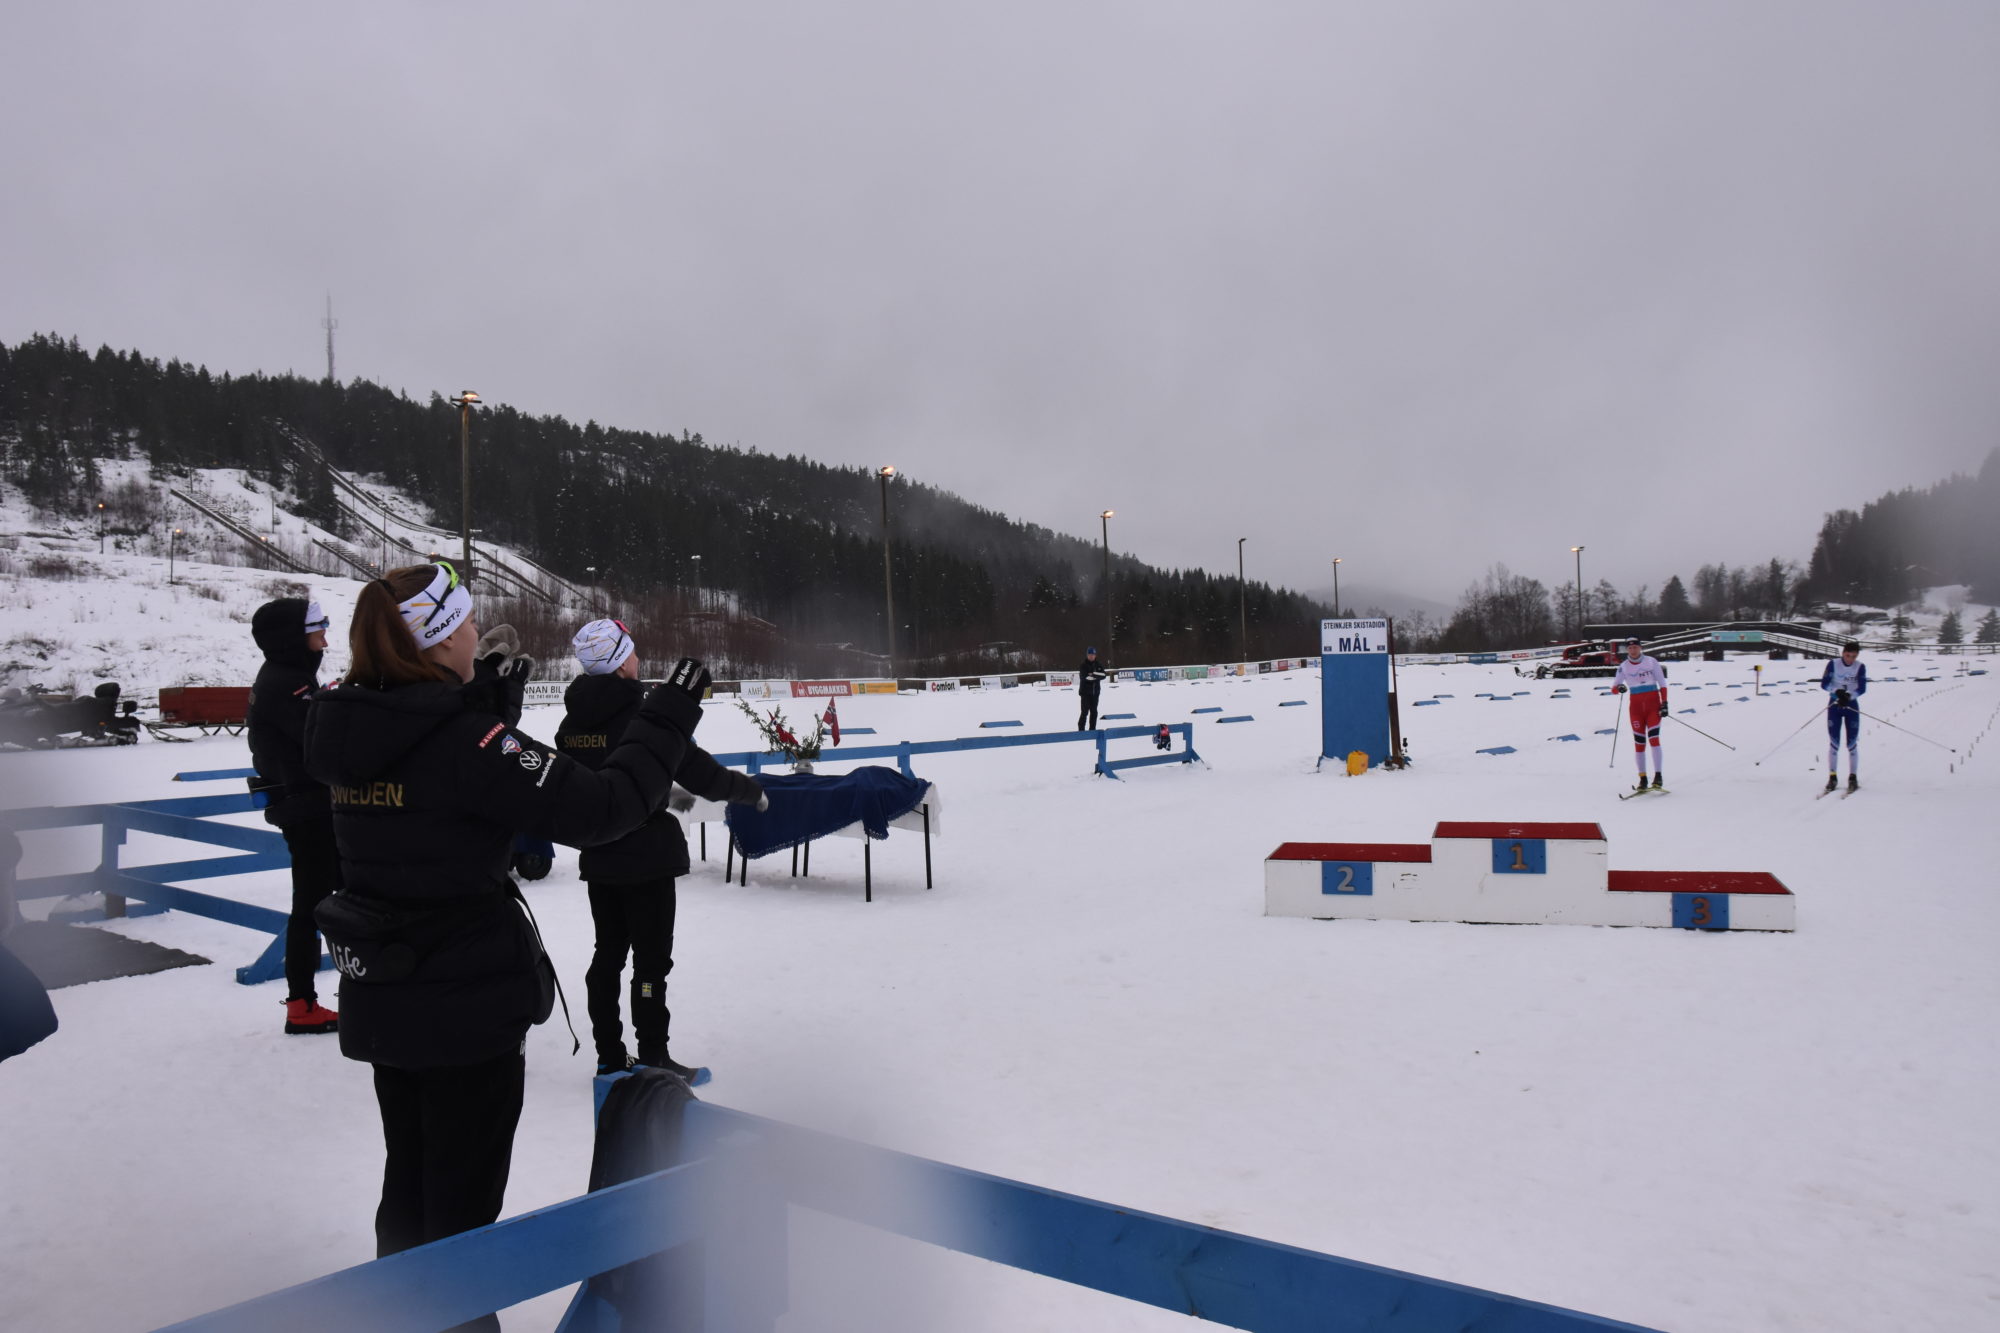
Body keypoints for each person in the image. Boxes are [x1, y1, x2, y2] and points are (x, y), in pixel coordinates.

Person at [303, 562, 748, 1309]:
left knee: (410, 1189)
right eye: (466, 622)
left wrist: (489, 701)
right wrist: (669, 711)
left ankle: (398, 1315)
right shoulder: (463, 743)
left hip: (388, 998)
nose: (477, 632)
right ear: (440, 640)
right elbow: (602, 805)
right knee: (462, 1224)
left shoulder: (354, 725)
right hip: (464, 1009)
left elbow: (438, 782)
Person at [556, 619, 765, 1079]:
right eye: (631, 651)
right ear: (619, 662)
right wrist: (748, 791)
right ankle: (653, 1056)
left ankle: (610, 1057)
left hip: (600, 856)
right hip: (646, 857)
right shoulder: (646, 718)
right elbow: (699, 773)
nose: (638, 658)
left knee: (607, 955)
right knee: (650, 964)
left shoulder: (570, 723)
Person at [248, 596, 341, 1035]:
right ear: (293, 636)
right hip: (310, 811)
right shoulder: (286, 682)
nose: (324, 634)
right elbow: (325, 743)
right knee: (318, 905)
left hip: (308, 807)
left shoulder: (289, 676)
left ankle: (306, 1002)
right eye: (317, 626)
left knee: (320, 902)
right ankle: (304, 1004)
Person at [1610, 636, 1670, 792]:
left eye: (1635, 647)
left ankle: (1658, 776)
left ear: (1640, 648)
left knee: (1654, 739)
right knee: (1639, 743)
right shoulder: (1623, 666)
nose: (1633, 650)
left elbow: (1662, 683)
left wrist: (1664, 703)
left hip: (1653, 707)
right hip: (1636, 710)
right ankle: (1643, 778)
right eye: (1630, 648)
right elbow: (1614, 688)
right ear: (1627, 649)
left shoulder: (1651, 662)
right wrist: (1619, 688)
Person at [1821, 641, 1867, 793]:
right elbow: (1824, 684)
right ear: (1843, 653)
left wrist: (1849, 696)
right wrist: (1837, 692)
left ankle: (1853, 777)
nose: (1850, 659)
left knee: (1852, 743)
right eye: (1848, 655)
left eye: (1854, 656)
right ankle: (1832, 776)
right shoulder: (1833, 664)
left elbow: (1862, 688)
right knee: (1834, 742)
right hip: (1835, 705)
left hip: (1851, 706)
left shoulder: (1860, 666)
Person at [1076, 646, 1109, 731]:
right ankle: (1081, 730)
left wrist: (1093, 674)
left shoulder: (1098, 665)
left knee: (1094, 712)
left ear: (1095, 655)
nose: (1091, 656)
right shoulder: (1083, 665)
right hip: (1085, 693)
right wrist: (1097, 676)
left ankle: (1092, 730)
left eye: (1093, 655)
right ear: (1087, 655)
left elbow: (1104, 675)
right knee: (1084, 712)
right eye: (1090, 654)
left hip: (1095, 693)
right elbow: (1085, 678)